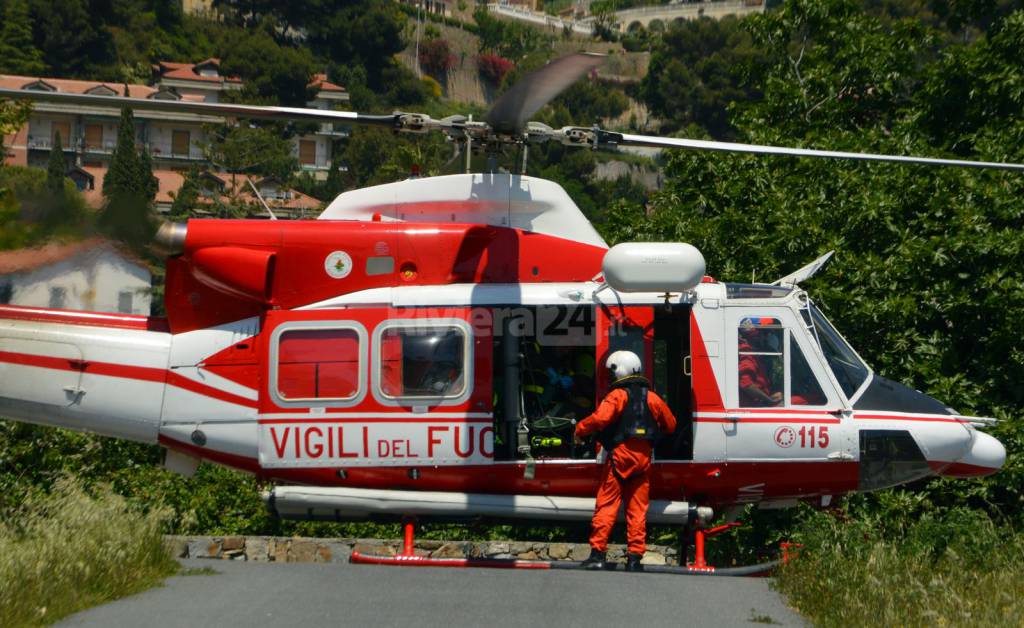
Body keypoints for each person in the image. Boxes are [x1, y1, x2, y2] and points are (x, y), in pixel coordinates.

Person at [574, 350, 676, 572]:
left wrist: (580, 429)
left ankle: (598, 555)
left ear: (618, 371)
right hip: (643, 462)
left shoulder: (617, 396)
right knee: (637, 511)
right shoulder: (653, 398)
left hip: (619, 459)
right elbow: (671, 424)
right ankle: (634, 559)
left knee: (607, 506)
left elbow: (600, 419)